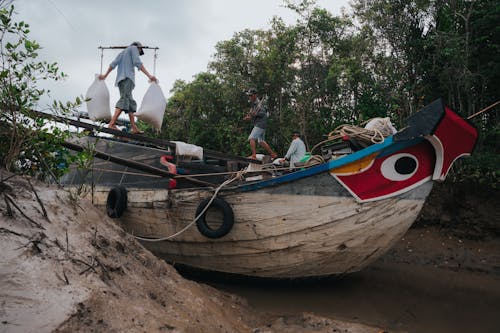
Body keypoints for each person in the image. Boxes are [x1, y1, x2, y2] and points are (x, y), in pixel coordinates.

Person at [99, 41, 157, 134]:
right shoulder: (133, 48)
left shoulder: (122, 53)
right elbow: (137, 62)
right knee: (124, 100)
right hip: (127, 78)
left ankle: (134, 128)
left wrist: (105, 75)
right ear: (138, 48)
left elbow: (113, 64)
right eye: (139, 51)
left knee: (130, 103)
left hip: (121, 80)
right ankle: (111, 124)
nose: (138, 53)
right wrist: (149, 76)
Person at [243, 88, 277, 160]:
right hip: (260, 124)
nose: (250, 97)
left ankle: (254, 155)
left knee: (251, 138)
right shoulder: (253, 104)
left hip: (260, 124)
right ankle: (273, 154)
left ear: (255, 95)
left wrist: (255, 114)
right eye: (249, 96)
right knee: (261, 141)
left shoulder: (259, 103)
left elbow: (263, 113)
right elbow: (252, 114)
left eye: (251, 95)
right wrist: (249, 117)